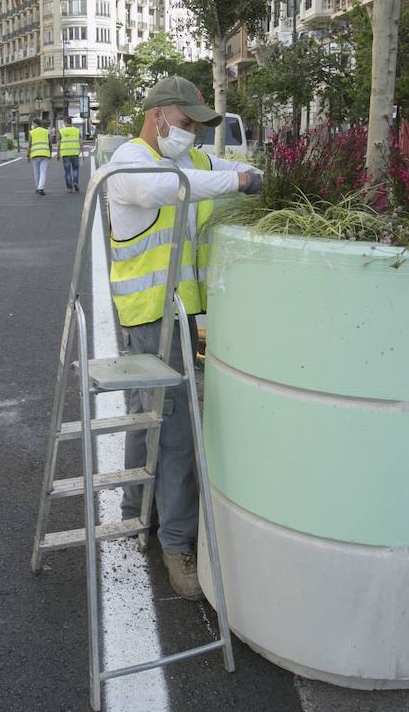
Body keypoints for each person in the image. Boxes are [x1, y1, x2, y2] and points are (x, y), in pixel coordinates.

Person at [106, 75, 262, 601]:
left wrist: (250, 175)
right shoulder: (128, 164)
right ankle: (175, 543)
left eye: (198, 126)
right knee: (171, 434)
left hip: (184, 315)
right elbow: (166, 191)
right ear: (158, 116)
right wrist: (239, 183)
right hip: (148, 319)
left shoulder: (192, 162)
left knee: (151, 421)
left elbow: (233, 170)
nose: (193, 134)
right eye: (188, 122)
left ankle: (138, 518)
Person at [58, 118, 82, 192]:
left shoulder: (61, 131)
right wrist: (82, 151)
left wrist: (58, 153)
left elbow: (58, 143)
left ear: (65, 122)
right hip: (75, 153)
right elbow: (80, 141)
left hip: (65, 154)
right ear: (71, 122)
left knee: (67, 171)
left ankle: (69, 188)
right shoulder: (77, 130)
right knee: (75, 169)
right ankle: (75, 183)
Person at [27, 120, 51, 195]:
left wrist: (28, 155)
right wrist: (50, 153)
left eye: (33, 124)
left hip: (35, 154)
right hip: (45, 154)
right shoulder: (46, 131)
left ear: (36, 124)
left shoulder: (32, 132)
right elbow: (49, 143)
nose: (32, 125)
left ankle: (38, 188)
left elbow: (30, 145)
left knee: (36, 172)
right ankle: (41, 188)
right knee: (43, 172)